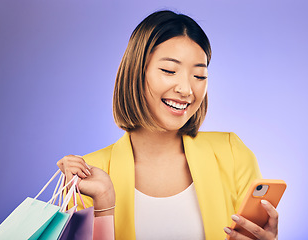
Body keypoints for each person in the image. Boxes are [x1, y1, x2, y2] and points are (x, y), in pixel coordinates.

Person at [57, 10, 279, 240]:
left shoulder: (232, 154)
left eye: (199, 76)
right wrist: (103, 202)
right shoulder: (89, 174)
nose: (186, 89)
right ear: (136, 72)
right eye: (169, 71)